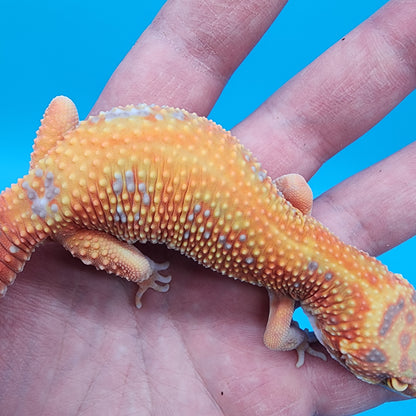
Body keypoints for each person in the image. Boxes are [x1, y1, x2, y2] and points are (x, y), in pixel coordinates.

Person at [1, 0, 415, 414]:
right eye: (391, 380)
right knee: (143, 268)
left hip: (63, 163)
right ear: (332, 336)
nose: (397, 387)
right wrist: (299, 339)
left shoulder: (299, 209)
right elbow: (278, 338)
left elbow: (292, 185)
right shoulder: (286, 295)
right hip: (70, 216)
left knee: (65, 108)